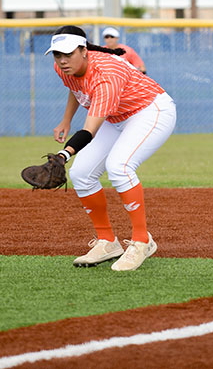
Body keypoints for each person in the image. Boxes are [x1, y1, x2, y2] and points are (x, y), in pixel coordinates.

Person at [45, 24, 176, 271]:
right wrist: (65, 119)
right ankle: (107, 242)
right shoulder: (63, 67)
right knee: (81, 173)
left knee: (120, 166)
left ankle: (141, 241)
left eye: (68, 53)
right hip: (116, 117)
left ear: (83, 51)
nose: (62, 60)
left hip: (150, 110)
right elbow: (76, 87)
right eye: (57, 54)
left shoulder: (107, 74)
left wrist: (63, 155)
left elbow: (89, 131)